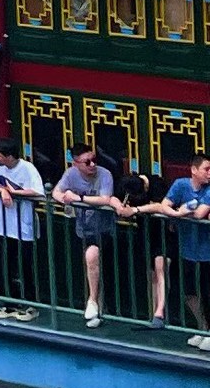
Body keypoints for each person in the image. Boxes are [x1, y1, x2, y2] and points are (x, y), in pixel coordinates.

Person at [53, 142, 119, 326]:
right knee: (90, 267)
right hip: (83, 229)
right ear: (76, 163)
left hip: (104, 229)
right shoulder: (70, 174)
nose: (92, 165)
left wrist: (80, 199)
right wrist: (66, 198)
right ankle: (94, 306)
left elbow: (105, 198)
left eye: (94, 160)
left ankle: (95, 303)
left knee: (94, 257)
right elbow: (56, 192)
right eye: (87, 162)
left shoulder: (105, 174)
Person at [0, 136, 44, 316]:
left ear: (9, 157)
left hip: (23, 224)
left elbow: (38, 191)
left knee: (25, 265)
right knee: (2, 264)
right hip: (3, 224)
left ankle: (31, 305)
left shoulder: (27, 168)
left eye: (0, 156)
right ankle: (9, 303)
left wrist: (15, 193)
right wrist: (2, 190)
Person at [154, 152, 210, 343]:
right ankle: (203, 328)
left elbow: (200, 214)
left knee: (207, 294)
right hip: (187, 250)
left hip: (206, 252)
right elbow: (164, 206)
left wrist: (181, 212)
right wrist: (178, 213)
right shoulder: (180, 184)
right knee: (189, 293)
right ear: (194, 170)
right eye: (207, 169)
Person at [119, 171, 170, 327]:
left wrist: (136, 210)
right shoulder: (129, 184)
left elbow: (161, 206)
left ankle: (160, 311)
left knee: (161, 267)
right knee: (152, 273)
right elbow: (116, 199)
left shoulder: (157, 184)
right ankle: (153, 313)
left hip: (164, 232)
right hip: (145, 233)